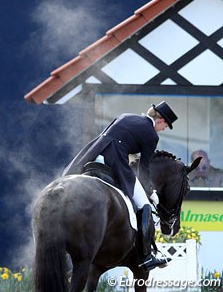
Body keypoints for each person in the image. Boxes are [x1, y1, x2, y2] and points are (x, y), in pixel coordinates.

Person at [63, 101, 178, 271]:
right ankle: (147, 256)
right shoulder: (152, 136)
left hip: (93, 155)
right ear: (160, 120)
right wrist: (150, 191)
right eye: (166, 125)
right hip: (114, 161)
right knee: (144, 205)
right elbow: (144, 168)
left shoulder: (126, 116)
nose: (164, 129)